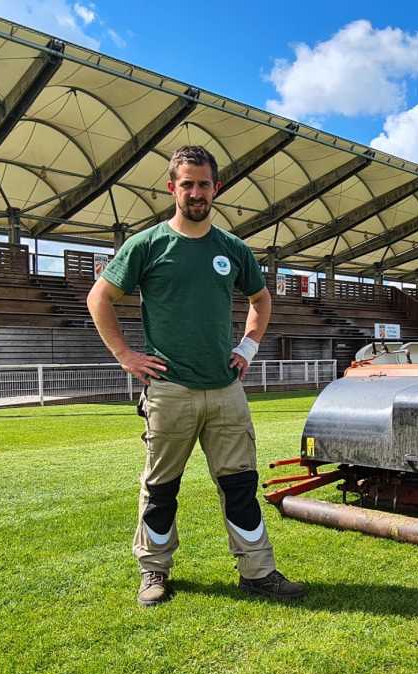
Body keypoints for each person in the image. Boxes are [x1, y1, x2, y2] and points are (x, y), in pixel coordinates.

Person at [86, 145, 307, 607]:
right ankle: (154, 571)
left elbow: (262, 300)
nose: (196, 192)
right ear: (172, 188)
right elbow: (99, 297)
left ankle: (258, 572)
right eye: (186, 183)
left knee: (240, 485)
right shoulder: (147, 245)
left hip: (226, 391)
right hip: (170, 392)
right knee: (161, 487)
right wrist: (126, 355)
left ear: (216, 188)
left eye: (203, 183)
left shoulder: (232, 249)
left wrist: (247, 346)